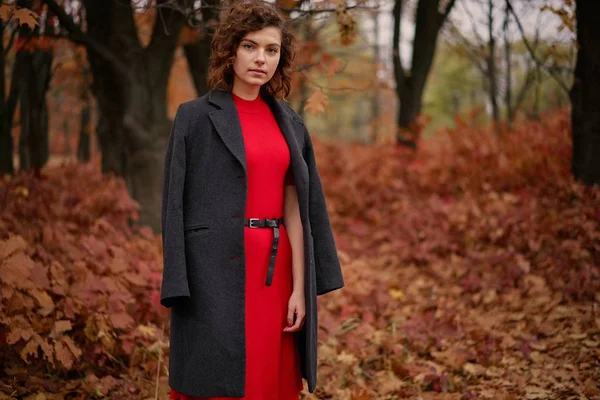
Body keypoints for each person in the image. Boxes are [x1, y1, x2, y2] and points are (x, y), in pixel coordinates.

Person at [160, 1, 344, 399]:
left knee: (268, 379)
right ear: (231, 51)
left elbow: (296, 211)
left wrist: (300, 288)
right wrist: (178, 281)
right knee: (215, 381)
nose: (261, 58)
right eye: (250, 46)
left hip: (274, 273)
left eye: (271, 50)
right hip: (211, 272)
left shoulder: (291, 123)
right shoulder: (194, 117)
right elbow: (172, 206)